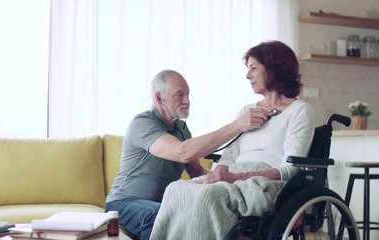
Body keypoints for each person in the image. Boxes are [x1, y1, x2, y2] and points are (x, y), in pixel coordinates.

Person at [149, 41, 315, 240]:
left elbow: (290, 169)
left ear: (274, 69)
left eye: (253, 68)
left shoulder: (300, 111)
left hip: (266, 182)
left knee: (209, 196)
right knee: (175, 189)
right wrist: (221, 171)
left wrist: (235, 177)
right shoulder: (247, 112)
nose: (247, 75)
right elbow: (228, 157)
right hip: (234, 177)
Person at [105, 69, 269, 240]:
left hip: (161, 205)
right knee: (157, 216)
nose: (187, 101)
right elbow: (182, 152)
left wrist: (234, 179)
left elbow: (197, 171)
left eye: (188, 94)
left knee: (199, 217)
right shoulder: (143, 124)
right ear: (159, 98)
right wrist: (237, 126)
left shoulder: (181, 129)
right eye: (179, 95)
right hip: (123, 202)